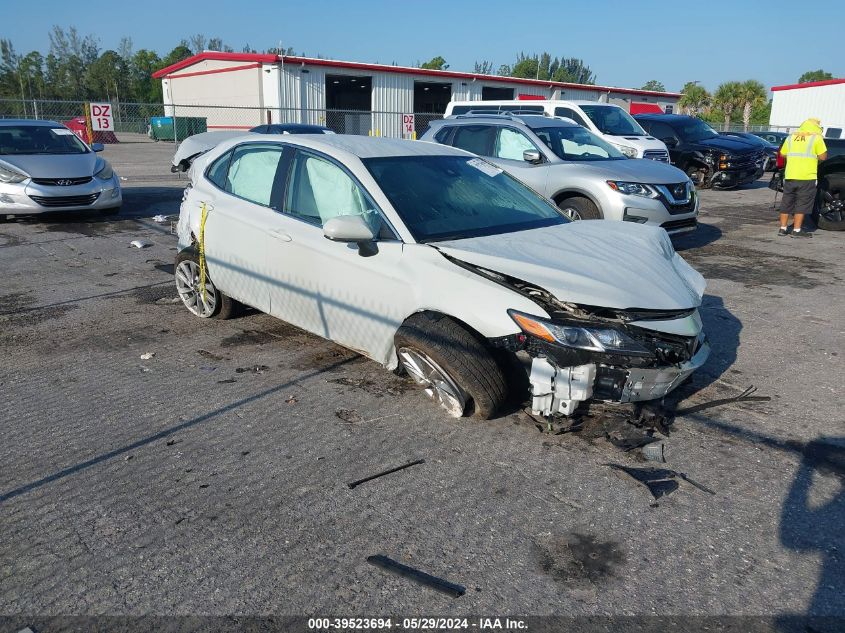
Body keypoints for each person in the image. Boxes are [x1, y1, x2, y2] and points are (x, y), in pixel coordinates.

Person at [778, 118, 827, 238]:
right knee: (802, 203)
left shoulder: (791, 138)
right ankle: (797, 230)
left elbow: (783, 154)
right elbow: (823, 157)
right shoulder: (816, 138)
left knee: (787, 202)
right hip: (806, 176)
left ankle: (783, 229)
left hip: (790, 175)